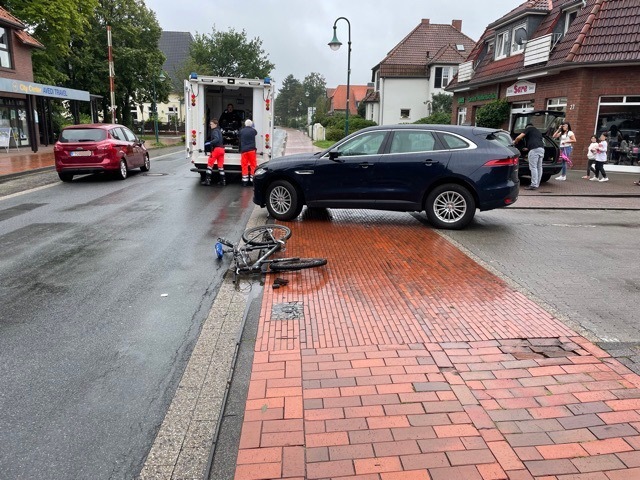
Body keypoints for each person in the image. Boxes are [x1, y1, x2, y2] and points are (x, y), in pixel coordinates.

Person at [514, 123, 545, 190]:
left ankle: (533, 184)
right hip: (541, 149)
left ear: (527, 127)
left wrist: (515, 142)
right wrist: (528, 148)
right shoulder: (538, 131)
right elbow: (536, 141)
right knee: (539, 167)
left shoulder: (529, 128)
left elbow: (519, 137)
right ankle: (537, 184)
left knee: (533, 167)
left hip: (534, 150)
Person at [202, 119, 226, 186]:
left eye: (211, 124)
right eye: (210, 124)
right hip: (222, 150)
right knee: (220, 166)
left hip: (216, 149)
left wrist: (210, 143)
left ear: (215, 124)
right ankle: (223, 181)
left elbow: (216, 139)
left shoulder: (214, 131)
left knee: (210, 165)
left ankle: (207, 181)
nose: (210, 125)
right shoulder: (219, 131)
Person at [239, 119, 258, 187]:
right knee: (253, 165)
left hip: (244, 151)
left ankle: (245, 181)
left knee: (244, 165)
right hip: (252, 150)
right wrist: (253, 127)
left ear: (245, 124)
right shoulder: (253, 131)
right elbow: (256, 133)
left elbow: (239, 136)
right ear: (251, 125)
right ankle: (252, 180)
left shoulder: (242, 131)